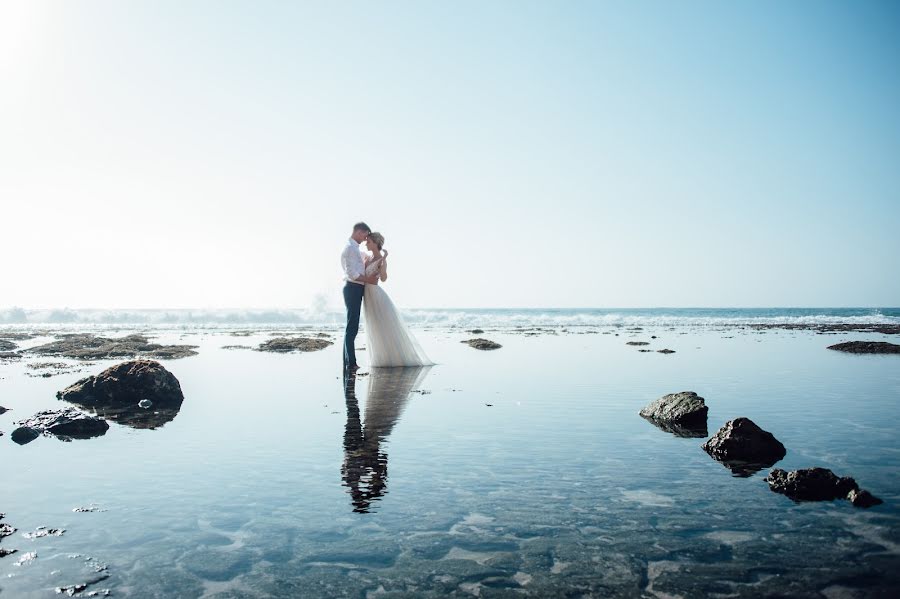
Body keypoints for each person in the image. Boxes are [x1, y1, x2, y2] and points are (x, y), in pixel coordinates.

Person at [361, 232, 433, 367]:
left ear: (376, 244)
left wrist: (383, 262)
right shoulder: (368, 257)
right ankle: (380, 358)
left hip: (376, 295)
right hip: (368, 297)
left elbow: (383, 279)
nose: (366, 244)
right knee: (373, 327)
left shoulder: (381, 260)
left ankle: (393, 359)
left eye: (369, 242)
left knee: (382, 326)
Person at [341, 222, 379, 372]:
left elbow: (368, 258)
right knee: (352, 327)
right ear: (358, 232)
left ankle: (348, 361)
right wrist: (369, 280)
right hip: (352, 288)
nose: (365, 239)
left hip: (355, 289)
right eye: (365, 235)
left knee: (352, 326)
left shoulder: (354, 248)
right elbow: (351, 274)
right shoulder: (350, 248)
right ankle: (351, 363)